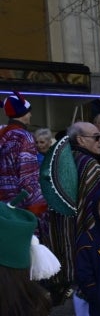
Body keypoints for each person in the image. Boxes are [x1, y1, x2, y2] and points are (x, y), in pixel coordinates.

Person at [41, 123, 100, 316]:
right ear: (80, 139)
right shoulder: (91, 166)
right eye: (96, 137)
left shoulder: (62, 161)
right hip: (86, 234)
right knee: (92, 280)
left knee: (80, 282)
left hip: (63, 233)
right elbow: (96, 207)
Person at [0, 92, 45, 221]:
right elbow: (27, 177)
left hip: (3, 208)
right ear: (23, 112)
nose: (30, 114)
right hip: (20, 208)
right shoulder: (24, 137)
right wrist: (37, 206)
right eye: (29, 111)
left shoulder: (3, 134)